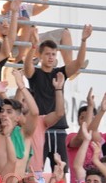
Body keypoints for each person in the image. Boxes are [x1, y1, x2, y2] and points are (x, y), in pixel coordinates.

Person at [24, 24, 92, 170]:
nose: (51, 57)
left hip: (59, 128)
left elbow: (78, 63)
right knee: (35, 171)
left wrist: (83, 41)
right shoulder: (35, 73)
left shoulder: (60, 73)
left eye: (54, 54)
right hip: (39, 128)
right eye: (47, 54)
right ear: (40, 56)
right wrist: (33, 46)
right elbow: (27, 66)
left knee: (61, 171)